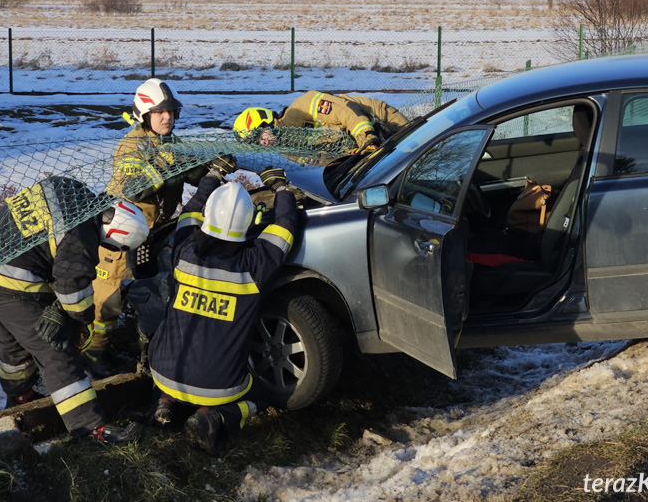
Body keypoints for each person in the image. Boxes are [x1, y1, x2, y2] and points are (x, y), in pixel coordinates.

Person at [0, 176, 150, 444]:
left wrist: (58, 307)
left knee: (14, 337)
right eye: (111, 247)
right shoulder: (83, 232)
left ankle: (20, 396)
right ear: (114, 234)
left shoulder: (74, 192)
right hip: (6, 278)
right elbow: (73, 290)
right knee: (55, 349)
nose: (105, 250)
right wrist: (79, 321)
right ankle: (89, 429)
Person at [147, 165, 300, 456]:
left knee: (176, 364)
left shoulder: (184, 250)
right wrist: (281, 188)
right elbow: (285, 227)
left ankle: (164, 403)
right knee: (265, 395)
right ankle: (216, 417)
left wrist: (213, 175)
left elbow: (189, 213)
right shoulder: (255, 264)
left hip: (163, 369)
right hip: (218, 385)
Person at [87, 78, 235, 378]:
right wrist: (176, 167)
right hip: (121, 237)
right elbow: (138, 186)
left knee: (156, 288)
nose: (167, 117)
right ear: (144, 115)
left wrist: (213, 166)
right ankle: (95, 354)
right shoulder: (131, 144)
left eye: (171, 111)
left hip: (158, 232)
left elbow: (192, 171)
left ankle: (147, 340)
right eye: (159, 112)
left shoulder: (173, 144)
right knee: (108, 298)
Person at [233, 91, 410, 151]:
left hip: (382, 120)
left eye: (259, 135)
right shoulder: (288, 150)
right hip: (363, 144)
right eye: (256, 142)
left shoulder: (302, 106)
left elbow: (347, 112)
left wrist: (368, 140)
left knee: (415, 147)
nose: (263, 142)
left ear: (266, 123)